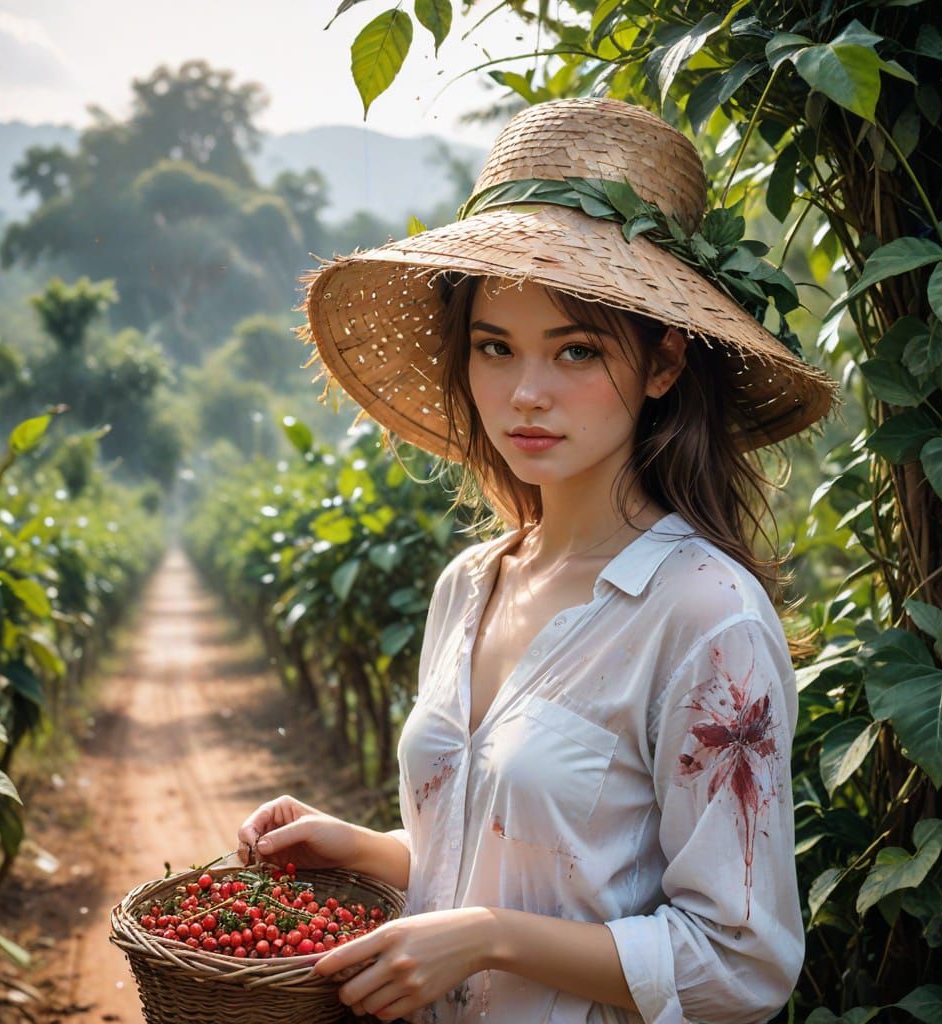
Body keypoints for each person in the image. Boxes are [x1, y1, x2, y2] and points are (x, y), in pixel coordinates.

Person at [237, 98, 838, 1023]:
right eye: (495, 348)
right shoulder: (469, 587)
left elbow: (742, 962)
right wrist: (365, 848)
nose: (526, 394)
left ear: (666, 364)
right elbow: (533, 861)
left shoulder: (704, 614)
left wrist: (487, 937)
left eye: (576, 351)